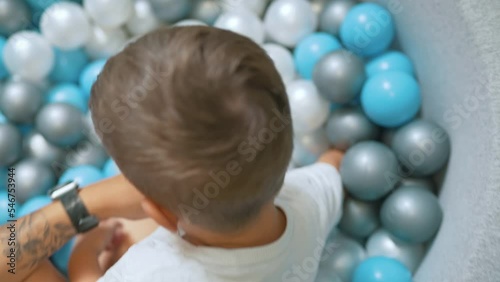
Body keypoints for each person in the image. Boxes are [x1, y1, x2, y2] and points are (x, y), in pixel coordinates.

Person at [70, 26, 344, 282]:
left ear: (161, 215)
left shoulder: (149, 270)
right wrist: (337, 151)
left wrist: (83, 258)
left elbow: (27, 254)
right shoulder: (309, 200)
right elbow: (334, 167)